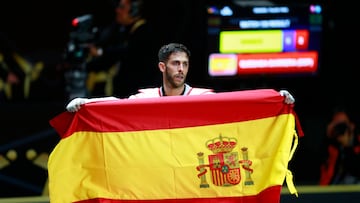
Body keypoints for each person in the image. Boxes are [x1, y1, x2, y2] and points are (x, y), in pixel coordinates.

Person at [66, 42, 295, 112]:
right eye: (176, 64)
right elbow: (117, 104)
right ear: (162, 67)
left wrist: (275, 97)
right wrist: (86, 103)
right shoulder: (147, 97)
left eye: (185, 64)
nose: (181, 69)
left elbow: (240, 102)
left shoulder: (202, 97)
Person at [85, 0, 160, 98]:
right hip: (125, 90)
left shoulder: (144, 31)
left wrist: (100, 52)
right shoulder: (122, 29)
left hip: (139, 91)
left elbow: (126, 52)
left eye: (122, 7)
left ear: (134, 11)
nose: (117, 10)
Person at [319, 108, 360, 185]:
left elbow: (355, 169)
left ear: (352, 126)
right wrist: (328, 136)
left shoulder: (358, 142)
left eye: (343, 124)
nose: (341, 128)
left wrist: (347, 147)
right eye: (337, 124)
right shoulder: (330, 146)